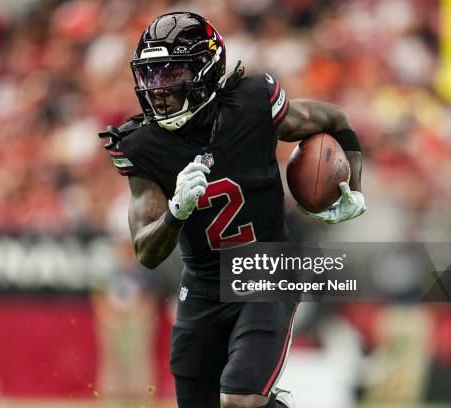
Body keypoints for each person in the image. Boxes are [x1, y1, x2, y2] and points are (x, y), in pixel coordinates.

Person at [99, 12, 366, 408]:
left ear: (206, 70)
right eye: (150, 75)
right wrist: (176, 211)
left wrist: (353, 190)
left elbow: (334, 118)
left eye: (171, 74)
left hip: (268, 271)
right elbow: (146, 252)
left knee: (240, 400)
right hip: (203, 287)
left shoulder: (254, 102)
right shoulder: (142, 145)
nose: (157, 90)